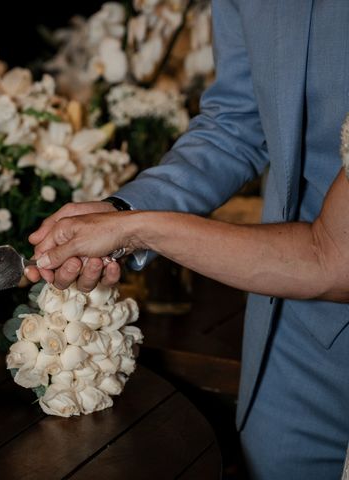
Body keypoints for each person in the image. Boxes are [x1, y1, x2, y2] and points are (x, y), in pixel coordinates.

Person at [25, 0, 349, 478]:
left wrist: (135, 228)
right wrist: (123, 210)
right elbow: (236, 123)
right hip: (287, 331)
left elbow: (332, 258)